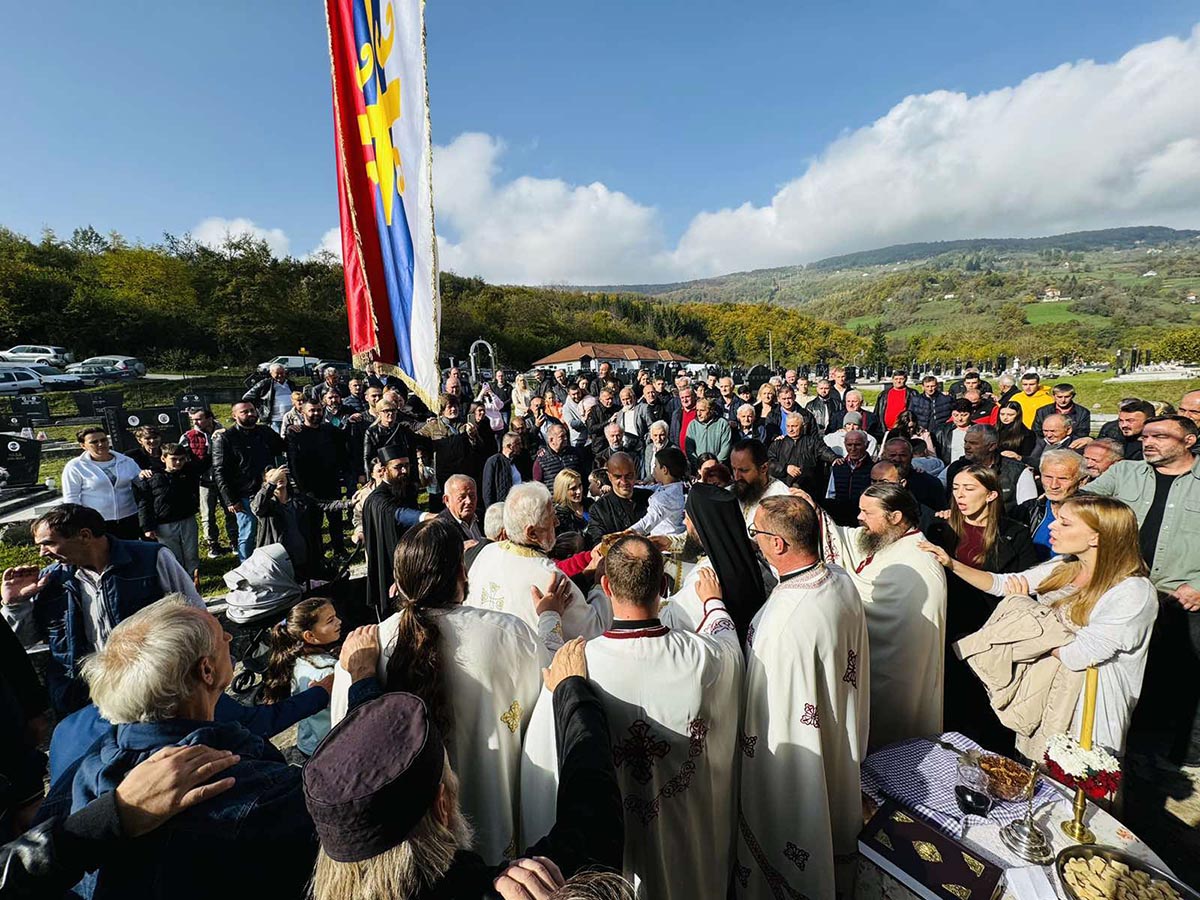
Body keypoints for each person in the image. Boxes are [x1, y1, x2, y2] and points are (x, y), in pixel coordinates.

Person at [38, 597, 345, 899]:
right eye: (220, 635)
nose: (228, 636)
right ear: (207, 671)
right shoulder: (252, 787)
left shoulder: (87, 765)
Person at [311, 640, 623, 900]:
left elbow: (361, 775)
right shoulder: (515, 888)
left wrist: (364, 682)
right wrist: (572, 691)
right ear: (442, 805)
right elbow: (594, 823)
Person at [521, 536, 741, 900]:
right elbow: (730, 646)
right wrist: (714, 604)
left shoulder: (577, 667)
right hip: (685, 848)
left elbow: (545, 765)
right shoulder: (705, 659)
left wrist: (549, 618)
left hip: (606, 859)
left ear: (605, 585)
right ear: (662, 586)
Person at [328, 520, 543, 864]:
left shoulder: (362, 651)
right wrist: (550, 622)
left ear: (397, 584)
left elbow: (348, 748)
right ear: (461, 572)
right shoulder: (510, 635)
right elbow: (543, 728)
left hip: (402, 855)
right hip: (494, 840)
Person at [921, 496, 1157, 755]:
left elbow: (1079, 655)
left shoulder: (1133, 591)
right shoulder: (1064, 566)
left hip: (1089, 705)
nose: (1052, 527)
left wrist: (1029, 612)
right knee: (1033, 764)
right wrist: (952, 564)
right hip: (1043, 690)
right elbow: (1004, 584)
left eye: (1065, 524)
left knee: (1074, 776)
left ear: (1096, 537)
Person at [739, 496, 869, 900]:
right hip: (838, 733)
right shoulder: (840, 578)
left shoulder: (780, 624)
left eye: (756, 533)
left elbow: (766, 716)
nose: (754, 541)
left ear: (778, 544)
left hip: (793, 772)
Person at [1, 505, 202, 713]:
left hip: (150, 688)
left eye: (49, 543)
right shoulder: (51, 581)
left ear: (85, 536)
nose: (42, 553)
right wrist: (15, 603)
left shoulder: (151, 558)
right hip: (82, 699)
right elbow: (24, 640)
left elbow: (196, 614)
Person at [1082, 416, 1200, 763]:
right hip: (1126, 590)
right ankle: (1134, 738)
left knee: (1187, 671)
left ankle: (1188, 750)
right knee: (1131, 668)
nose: (1148, 441)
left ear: (1189, 440)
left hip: (1182, 594)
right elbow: (1082, 502)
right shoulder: (1124, 474)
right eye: (1146, 435)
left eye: (1160, 436)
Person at [800, 483, 948, 748]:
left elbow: (886, 614)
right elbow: (846, 540)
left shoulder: (920, 561)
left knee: (894, 743)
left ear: (895, 517)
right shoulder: (888, 539)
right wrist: (815, 512)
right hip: (872, 670)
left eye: (867, 512)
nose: (859, 518)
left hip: (898, 677)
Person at [932, 466, 1038, 748]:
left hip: (992, 635)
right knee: (952, 710)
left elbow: (1021, 588)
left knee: (989, 713)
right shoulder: (940, 529)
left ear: (991, 494)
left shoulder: (1015, 534)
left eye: (969, 489)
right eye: (955, 488)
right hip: (949, 630)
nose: (960, 496)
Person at [466, 482, 609, 650]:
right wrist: (600, 584)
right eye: (550, 517)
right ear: (532, 533)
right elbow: (594, 630)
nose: (556, 522)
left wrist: (585, 573)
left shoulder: (486, 553)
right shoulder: (550, 578)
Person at [261, 596, 342, 759]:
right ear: (310, 636)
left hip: (308, 741)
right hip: (330, 746)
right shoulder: (328, 672)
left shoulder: (293, 659)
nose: (339, 622)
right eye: (330, 620)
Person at [361, 446, 434, 619]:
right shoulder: (376, 500)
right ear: (384, 470)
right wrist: (427, 516)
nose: (403, 471)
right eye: (398, 467)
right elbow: (397, 513)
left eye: (407, 466)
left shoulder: (406, 489)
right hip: (389, 562)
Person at [251, 466, 355, 581]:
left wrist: (350, 503)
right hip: (279, 564)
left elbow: (324, 505)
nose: (278, 478)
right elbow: (257, 508)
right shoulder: (267, 506)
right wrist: (271, 483)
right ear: (266, 482)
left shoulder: (300, 500)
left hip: (305, 560)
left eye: (280, 474)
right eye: (273, 476)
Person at [212, 400, 286, 560]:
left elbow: (283, 446)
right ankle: (246, 566)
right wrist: (230, 500)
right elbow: (220, 472)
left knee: (273, 528)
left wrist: (294, 430)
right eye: (244, 412)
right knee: (248, 533)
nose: (250, 414)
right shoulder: (225, 438)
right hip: (244, 494)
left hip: (270, 490)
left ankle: (272, 563)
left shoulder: (265, 432)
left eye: (252, 410)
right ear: (234, 415)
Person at [61, 426, 146, 541]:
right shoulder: (75, 466)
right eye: (94, 442)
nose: (101, 444)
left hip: (129, 518)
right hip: (97, 521)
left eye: (103, 440)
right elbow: (71, 497)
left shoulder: (126, 461)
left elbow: (141, 483)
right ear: (83, 446)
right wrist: (78, 522)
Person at [134, 442, 202, 581]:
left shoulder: (189, 472)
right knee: (173, 556)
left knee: (191, 554)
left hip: (187, 519)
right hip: (164, 524)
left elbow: (205, 461)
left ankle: (194, 581)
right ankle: (179, 582)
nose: (178, 462)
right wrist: (147, 526)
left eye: (182, 459)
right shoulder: (152, 477)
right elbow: (144, 503)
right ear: (163, 458)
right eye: (174, 459)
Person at [943, 424, 1038, 515]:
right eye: (966, 442)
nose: (966, 447)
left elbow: (1029, 510)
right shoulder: (956, 468)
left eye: (973, 443)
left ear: (992, 446)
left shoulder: (1018, 471)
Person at [1014, 449, 1086, 561]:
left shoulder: (1094, 513)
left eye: (1063, 478)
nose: (1053, 485)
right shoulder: (1028, 509)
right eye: (1048, 477)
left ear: (1081, 481)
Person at [183, 407, 235, 558]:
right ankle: (213, 544)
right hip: (204, 481)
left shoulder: (227, 433)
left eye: (199, 419)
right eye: (193, 420)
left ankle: (234, 540)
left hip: (225, 479)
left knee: (230, 511)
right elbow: (182, 457)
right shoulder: (188, 436)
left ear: (210, 418)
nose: (196, 423)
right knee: (207, 515)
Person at [586, 453, 651, 545]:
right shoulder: (599, 509)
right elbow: (598, 544)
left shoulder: (650, 499)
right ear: (609, 477)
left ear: (635, 474)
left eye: (629, 476)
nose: (624, 482)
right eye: (618, 477)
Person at [730, 438, 790, 527]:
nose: (736, 477)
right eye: (734, 469)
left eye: (744, 470)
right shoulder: (734, 490)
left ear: (764, 468)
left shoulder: (781, 498)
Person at [629, 447, 687, 537]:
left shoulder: (667, 497)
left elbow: (647, 523)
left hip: (666, 544)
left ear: (664, 470)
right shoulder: (672, 487)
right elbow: (649, 488)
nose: (653, 470)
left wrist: (623, 535)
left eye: (655, 466)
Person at [825, 429, 874, 524]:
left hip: (863, 518)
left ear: (866, 445)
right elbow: (831, 494)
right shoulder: (838, 466)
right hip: (839, 517)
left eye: (857, 445)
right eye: (849, 445)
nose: (853, 449)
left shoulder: (873, 467)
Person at [243, 363, 298, 432]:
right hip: (275, 420)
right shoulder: (265, 384)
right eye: (277, 373)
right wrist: (260, 408)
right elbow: (247, 397)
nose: (280, 375)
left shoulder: (290, 384)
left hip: (291, 419)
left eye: (282, 373)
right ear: (271, 373)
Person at [684, 397, 732, 465]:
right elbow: (689, 448)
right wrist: (698, 464)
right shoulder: (693, 425)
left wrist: (715, 464)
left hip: (717, 467)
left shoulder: (722, 424)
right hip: (698, 468)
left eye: (702, 410)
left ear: (711, 410)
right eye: (697, 410)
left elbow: (725, 448)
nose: (699, 414)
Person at [482, 431, 524, 510]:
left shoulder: (520, 460)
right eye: (518, 444)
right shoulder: (494, 461)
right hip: (502, 508)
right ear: (509, 446)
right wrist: (491, 511)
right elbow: (488, 490)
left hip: (519, 506)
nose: (521, 446)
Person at [436, 474, 483, 541]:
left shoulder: (484, 517)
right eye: (462, 497)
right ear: (447, 500)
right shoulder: (440, 529)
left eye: (472, 496)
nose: (468, 501)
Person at [932, 399, 976, 467]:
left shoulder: (978, 430)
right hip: (948, 468)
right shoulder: (941, 431)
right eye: (955, 415)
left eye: (964, 415)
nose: (959, 418)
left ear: (972, 413)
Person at [551, 469, 588, 537]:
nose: (579, 491)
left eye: (580, 485)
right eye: (573, 488)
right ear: (563, 490)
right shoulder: (559, 515)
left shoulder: (590, 504)